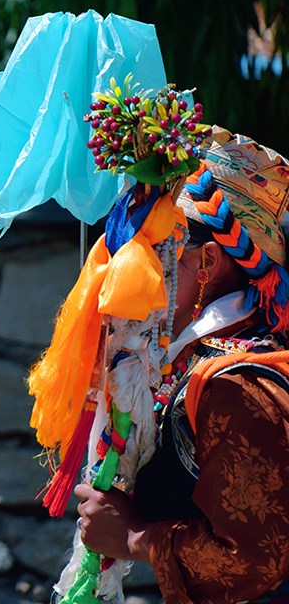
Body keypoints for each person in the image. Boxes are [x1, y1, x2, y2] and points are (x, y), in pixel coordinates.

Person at [72, 129, 289, 603]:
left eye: (158, 251)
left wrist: (132, 537)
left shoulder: (238, 387)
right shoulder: (201, 358)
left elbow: (257, 558)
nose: (139, 270)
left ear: (208, 261)